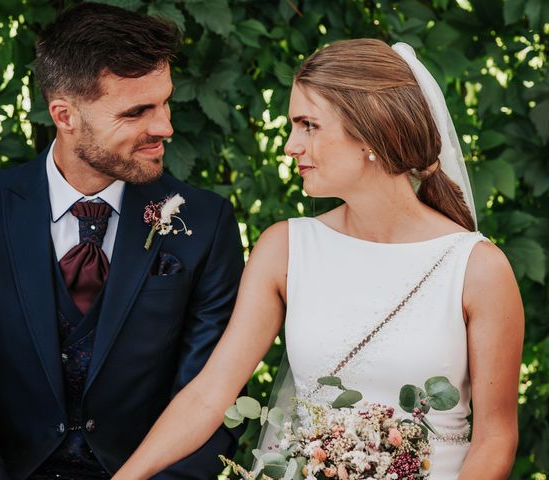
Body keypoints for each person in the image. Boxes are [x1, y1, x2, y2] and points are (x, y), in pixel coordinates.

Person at [112, 39, 524, 480]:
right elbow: (209, 395)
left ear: (371, 130)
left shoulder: (476, 268)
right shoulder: (284, 249)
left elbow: (495, 438)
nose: (291, 146)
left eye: (308, 125)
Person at [0, 3, 244, 479]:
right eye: (137, 112)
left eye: (165, 101)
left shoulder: (205, 223)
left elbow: (214, 396)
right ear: (64, 115)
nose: (165, 127)